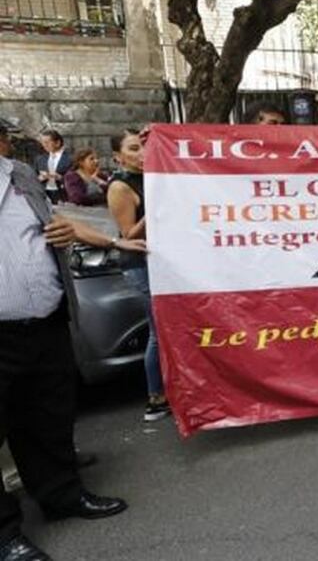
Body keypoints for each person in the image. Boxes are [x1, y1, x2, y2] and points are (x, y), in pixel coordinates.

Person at [1, 118, 138, 561]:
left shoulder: (19, 176)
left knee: (48, 417)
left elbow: (51, 225)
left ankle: (62, 496)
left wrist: (61, 233)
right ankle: (5, 536)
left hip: (45, 321)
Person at [107, 129, 168, 421]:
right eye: (133, 149)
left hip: (165, 261)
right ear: (118, 157)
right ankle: (155, 398)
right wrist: (153, 207)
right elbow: (128, 234)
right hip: (140, 264)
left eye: (145, 146)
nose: (142, 154)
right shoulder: (120, 187)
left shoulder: (154, 178)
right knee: (158, 332)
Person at [33, 130, 71, 204]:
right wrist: (39, 178)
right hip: (45, 193)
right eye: (43, 143)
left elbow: (77, 178)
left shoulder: (70, 159)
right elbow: (33, 176)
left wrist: (60, 178)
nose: (44, 145)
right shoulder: (40, 159)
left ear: (57, 143)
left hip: (63, 193)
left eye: (47, 142)